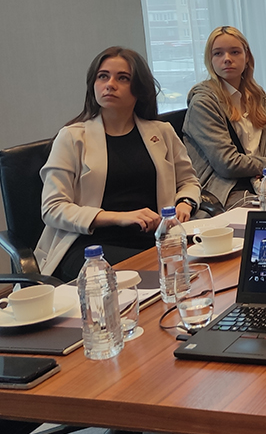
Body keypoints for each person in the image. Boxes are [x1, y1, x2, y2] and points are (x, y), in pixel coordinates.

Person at [35, 47, 200, 281]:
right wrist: (120, 217)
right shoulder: (72, 137)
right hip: (91, 248)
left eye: (122, 78)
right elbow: (53, 208)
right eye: (103, 76)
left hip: (154, 239)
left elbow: (188, 181)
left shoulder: (161, 132)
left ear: (139, 88)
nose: (110, 84)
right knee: (163, 276)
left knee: (202, 266)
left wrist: (185, 203)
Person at [183, 26, 266, 208]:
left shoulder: (258, 96)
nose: (227, 59)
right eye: (218, 53)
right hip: (226, 188)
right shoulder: (203, 103)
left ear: (247, 57)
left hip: (262, 179)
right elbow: (227, 163)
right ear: (210, 60)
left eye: (235, 52)